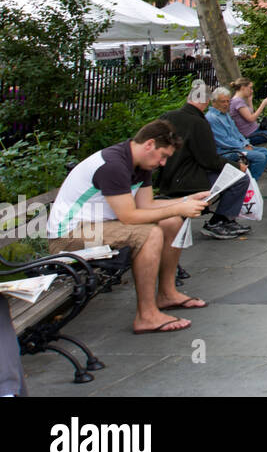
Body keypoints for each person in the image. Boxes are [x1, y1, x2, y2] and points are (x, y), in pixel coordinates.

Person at [47, 119, 209, 334]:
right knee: (150, 233)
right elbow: (130, 216)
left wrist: (187, 200)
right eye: (163, 156)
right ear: (149, 144)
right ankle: (147, 315)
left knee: (171, 222)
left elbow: (147, 205)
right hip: (68, 237)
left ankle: (167, 294)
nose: (162, 163)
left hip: (99, 226)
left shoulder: (140, 164)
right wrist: (179, 207)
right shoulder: (113, 165)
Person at [156, 81, 252, 240]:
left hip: (167, 176)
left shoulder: (168, 116)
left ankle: (223, 220)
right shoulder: (199, 123)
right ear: (207, 101)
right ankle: (219, 221)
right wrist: (237, 166)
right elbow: (209, 160)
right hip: (189, 179)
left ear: (188, 98)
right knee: (240, 179)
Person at [206, 87, 267, 182]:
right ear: (214, 102)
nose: (226, 104)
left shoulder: (225, 114)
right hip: (226, 152)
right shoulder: (212, 118)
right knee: (259, 157)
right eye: (223, 101)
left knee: (266, 152)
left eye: (228, 101)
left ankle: (247, 180)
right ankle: (249, 183)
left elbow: (237, 133)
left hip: (237, 147)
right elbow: (223, 141)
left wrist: (246, 143)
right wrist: (242, 146)